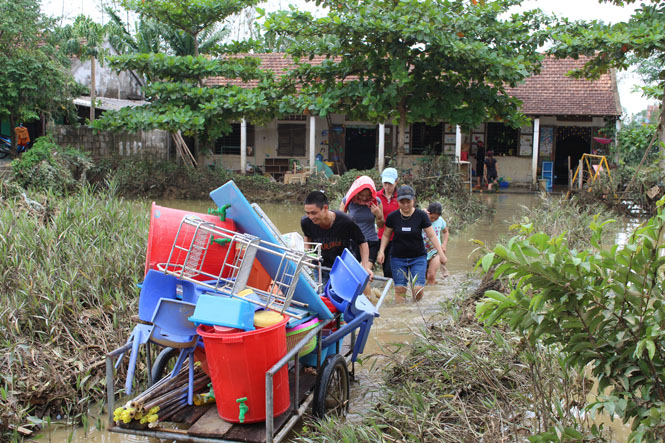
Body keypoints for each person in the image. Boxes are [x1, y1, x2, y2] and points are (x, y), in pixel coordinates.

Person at [377, 185, 446, 303]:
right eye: (402, 202)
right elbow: (386, 235)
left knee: (418, 289)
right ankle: (402, 313)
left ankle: (415, 310)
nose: (405, 205)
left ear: (413, 200)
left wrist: (441, 253)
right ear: (398, 201)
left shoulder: (422, 216)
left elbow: (432, 236)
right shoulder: (392, 217)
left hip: (418, 257)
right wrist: (381, 251)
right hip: (398, 258)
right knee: (399, 289)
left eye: (408, 201)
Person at [301, 191, 373, 285]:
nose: (310, 217)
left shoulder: (346, 221)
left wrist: (365, 266)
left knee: (343, 293)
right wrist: (307, 253)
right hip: (321, 266)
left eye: (314, 213)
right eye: (307, 213)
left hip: (343, 265)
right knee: (321, 293)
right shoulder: (306, 222)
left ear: (325, 208)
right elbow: (308, 237)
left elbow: (362, 242)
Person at [339, 176, 383, 270]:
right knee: (353, 272)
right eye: (361, 195)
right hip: (353, 241)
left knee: (364, 272)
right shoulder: (348, 200)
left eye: (367, 196)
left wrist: (378, 215)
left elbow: (381, 225)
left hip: (370, 241)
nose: (364, 198)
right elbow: (339, 221)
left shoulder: (376, 201)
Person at [376, 167, 400, 278]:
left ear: (396, 181)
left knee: (391, 269)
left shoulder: (401, 198)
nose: (387, 187)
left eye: (390, 184)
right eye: (385, 183)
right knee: (385, 268)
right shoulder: (376, 197)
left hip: (397, 238)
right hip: (381, 237)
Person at [423, 202, 449, 285]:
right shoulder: (421, 218)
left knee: (431, 275)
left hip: (435, 251)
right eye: (432, 217)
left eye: (436, 218)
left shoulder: (441, 221)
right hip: (421, 252)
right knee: (423, 277)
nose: (433, 220)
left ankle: (433, 294)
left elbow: (445, 232)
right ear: (428, 213)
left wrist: (444, 245)